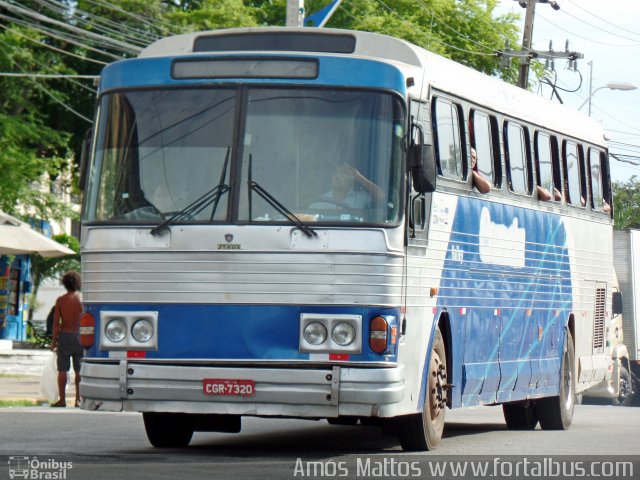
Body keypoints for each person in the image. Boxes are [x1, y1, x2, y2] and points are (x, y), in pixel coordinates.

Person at [50, 271, 84, 407]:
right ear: (77, 283)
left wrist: (53, 341)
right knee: (79, 370)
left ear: (64, 284)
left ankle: (62, 399)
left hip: (65, 335)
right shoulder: (83, 299)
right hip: (80, 337)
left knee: (62, 369)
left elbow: (56, 323)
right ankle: (78, 399)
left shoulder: (61, 300)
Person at [312, 163, 385, 209]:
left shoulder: (361, 198)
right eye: (335, 173)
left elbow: (381, 196)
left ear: (352, 178)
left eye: (343, 173)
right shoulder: (319, 201)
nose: (337, 177)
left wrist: (358, 176)